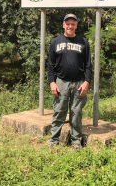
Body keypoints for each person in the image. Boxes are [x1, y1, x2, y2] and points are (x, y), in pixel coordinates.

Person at [48, 13, 92, 150]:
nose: (70, 26)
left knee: (76, 113)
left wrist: (86, 82)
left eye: (73, 24)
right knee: (59, 111)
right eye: (68, 23)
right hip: (61, 82)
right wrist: (52, 82)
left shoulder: (83, 42)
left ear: (76, 26)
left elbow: (88, 65)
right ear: (63, 25)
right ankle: (54, 140)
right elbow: (50, 65)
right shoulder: (55, 42)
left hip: (79, 83)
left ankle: (76, 141)